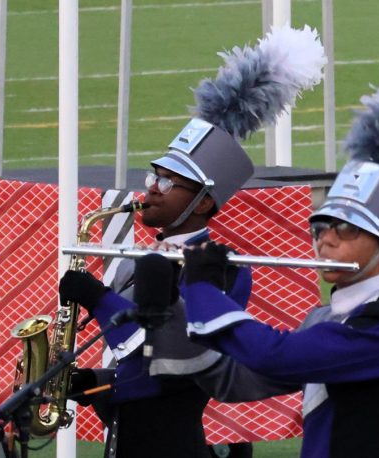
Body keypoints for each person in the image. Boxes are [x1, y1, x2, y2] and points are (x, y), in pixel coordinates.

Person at [178, 39, 379, 457]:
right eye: (321, 229)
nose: (327, 240)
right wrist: (181, 309)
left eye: (345, 230)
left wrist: (203, 291)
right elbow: (237, 381)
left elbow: (276, 356)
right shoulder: (330, 315)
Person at [59, 24, 327, 458]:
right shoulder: (136, 259)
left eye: (168, 182)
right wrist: (96, 383)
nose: (151, 189)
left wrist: (96, 296)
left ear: (203, 204)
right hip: (128, 435)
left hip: (172, 442)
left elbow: (169, 352)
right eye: (154, 177)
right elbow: (136, 367)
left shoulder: (224, 270)